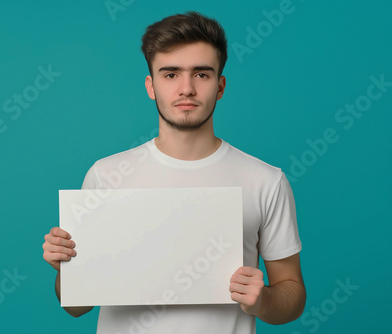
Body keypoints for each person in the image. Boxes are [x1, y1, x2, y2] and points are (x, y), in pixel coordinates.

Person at [43, 11, 305, 334]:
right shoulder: (105, 176)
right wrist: (64, 270)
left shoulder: (265, 181)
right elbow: (75, 307)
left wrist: (262, 300)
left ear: (220, 86)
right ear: (150, 86)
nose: (186, 89)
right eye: (170, 75)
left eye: (201, 75)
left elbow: (292, 292)